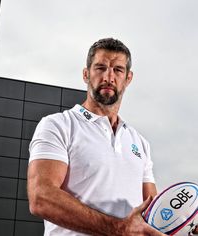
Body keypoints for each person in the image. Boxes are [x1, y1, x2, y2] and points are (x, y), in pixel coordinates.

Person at [27, 38, 184, 235]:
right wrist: (118, 229)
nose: (108, 77)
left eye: (118, 70)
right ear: (86, 74)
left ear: (128, 78)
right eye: (100, 68)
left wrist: (185, 224)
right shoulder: (58, 125)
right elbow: (41, 197)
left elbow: (153, 211)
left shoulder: (139, 142)